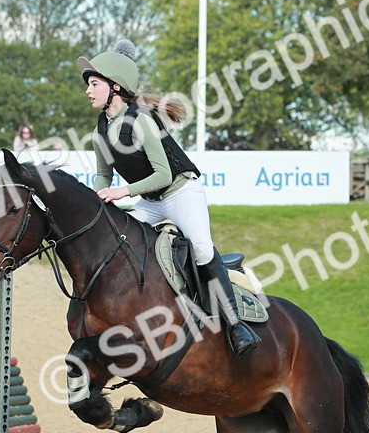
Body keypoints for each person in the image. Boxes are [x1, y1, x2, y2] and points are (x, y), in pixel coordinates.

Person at [78, 39, 259, 357]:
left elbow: (163, 175)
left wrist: (123, 191)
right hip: (149, 201)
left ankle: (235, 325)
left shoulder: (141, 121)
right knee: (119, 243)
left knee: (202, 248)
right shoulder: (101, 130)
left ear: (115, 86)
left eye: (94, 84)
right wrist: (96, 200)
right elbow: (104, 177)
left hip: (179, 192)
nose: (89, 91)